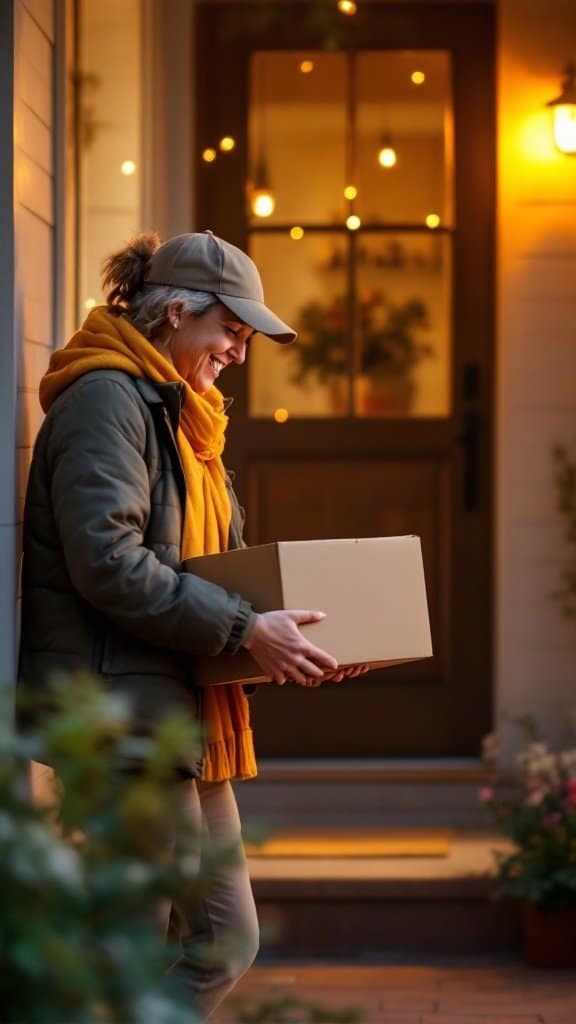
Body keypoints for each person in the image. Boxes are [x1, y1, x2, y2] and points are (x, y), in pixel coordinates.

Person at [19, 230, 368, 1018]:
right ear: (177, 311)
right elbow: (108, 560)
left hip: (177, 713)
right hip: (122, 720)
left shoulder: (182, 414)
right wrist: (247, 629)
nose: (238, 354)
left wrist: (297, 641)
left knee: (222, 940)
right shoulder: (110, 398)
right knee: (140, 952)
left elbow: (219, 571)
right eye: (231, 333)